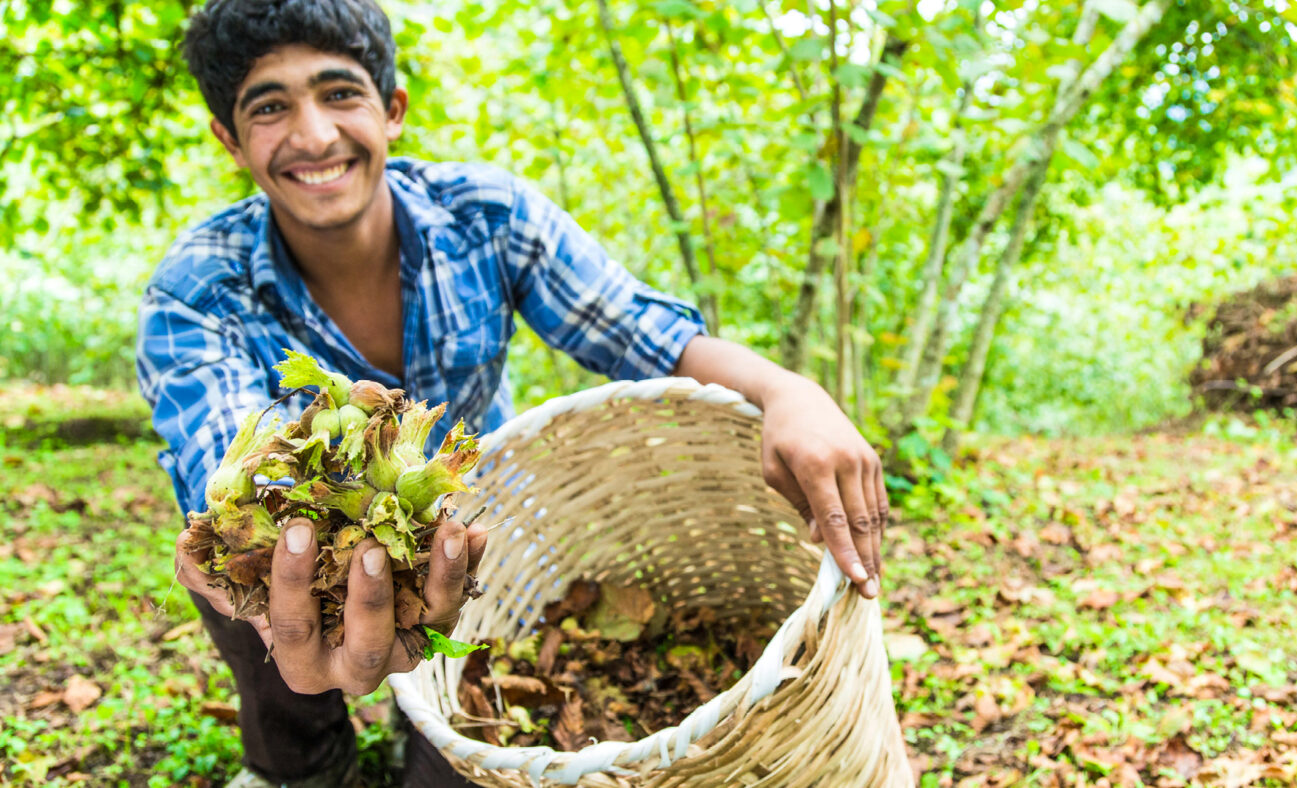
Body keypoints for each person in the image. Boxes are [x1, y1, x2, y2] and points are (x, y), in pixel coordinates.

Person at [137, 0, 888, 784]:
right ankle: (303, 762)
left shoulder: (487, 217)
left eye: (340, 94)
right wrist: (261, 569)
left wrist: (787, 389)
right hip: (312, 558)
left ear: (391, 111)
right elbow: (229, 474)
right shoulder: (198, 290)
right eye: (269, 107)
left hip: (475, 539)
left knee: (457, 757)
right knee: (243, 585)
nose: (315, 134)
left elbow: (642, 332)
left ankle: (419, 735)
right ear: (230, 140)